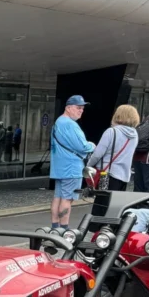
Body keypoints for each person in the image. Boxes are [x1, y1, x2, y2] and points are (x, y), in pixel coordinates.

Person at [50, 95, 95, 230]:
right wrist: (92, 145)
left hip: (59, 166)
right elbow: (82, 146)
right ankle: (64, 229)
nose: (81, 110)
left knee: (58, 197)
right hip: (71, 167)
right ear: (68, 108)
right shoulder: (70, 124)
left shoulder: (58, 122)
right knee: (67, 199)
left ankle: (54, 227)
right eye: (78, 107)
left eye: (82, 108)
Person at [87, 104, 139, 191]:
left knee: (102, 203)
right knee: (116, 203)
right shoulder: (135, 134)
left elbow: (97, 154)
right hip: (124, 176)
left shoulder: (111, 132)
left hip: (107, 174)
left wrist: (89, 165)